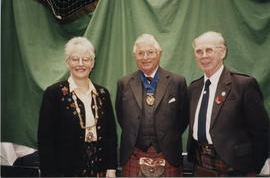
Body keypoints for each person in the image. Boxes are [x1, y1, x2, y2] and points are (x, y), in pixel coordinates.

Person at [187, 31, 269, 176]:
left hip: (235, 167)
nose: (204, 55)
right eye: (199, 51)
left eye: (209, 50)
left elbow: (261, 132)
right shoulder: (194, 88)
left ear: (223, 52)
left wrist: (252, 169)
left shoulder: (243, 85)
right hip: (201, 164)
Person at [38, 37, 117, 177]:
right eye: (75, 59)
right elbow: (45, 140)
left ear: (92, 63)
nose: (80, 64)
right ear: (67, 63)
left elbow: (110, 135)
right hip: (65, 171)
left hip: (98, 168)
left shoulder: (103, 94)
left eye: (86, 59)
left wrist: (111, 168)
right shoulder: (54, 94)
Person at [115, 33, 189, 177]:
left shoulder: (177, 81)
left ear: (159, 53)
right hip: (134, 152)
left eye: (150, 52)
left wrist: (166, 135)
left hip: (167, 153)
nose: (145, 57)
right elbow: (122, 118)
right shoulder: (123, 83)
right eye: (140, 53)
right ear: (135, 56)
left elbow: (183, 118)